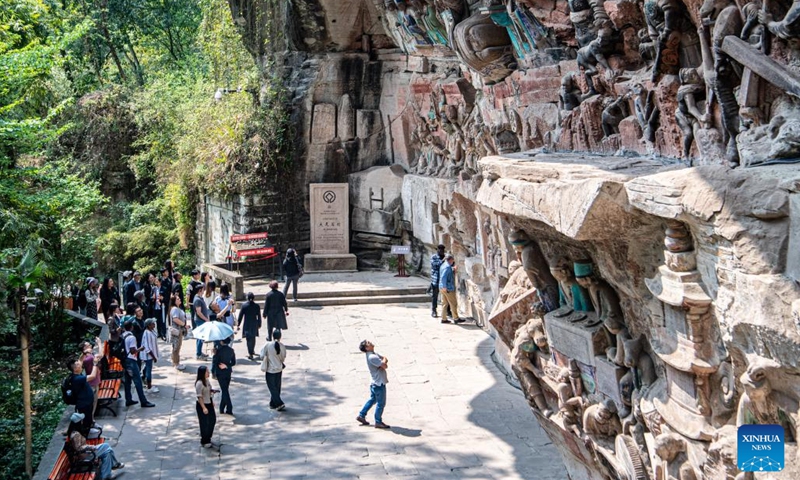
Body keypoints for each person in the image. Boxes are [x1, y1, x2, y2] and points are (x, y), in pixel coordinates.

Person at [67, 415, 123, 480]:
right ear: (78, 422)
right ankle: (113, 465)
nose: (82, 421)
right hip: (85, 454)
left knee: (107, 453)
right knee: (107, 447)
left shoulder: (75, 431)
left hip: (86, 451)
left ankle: (106, 476)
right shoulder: (75, 434)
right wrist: (91, 447)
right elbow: (79, 448)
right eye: (81, 420)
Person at [356, 340, 390, 429]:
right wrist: (383, 362)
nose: (370, 342)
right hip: (379, 383)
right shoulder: (372, 357)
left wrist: (383, 361)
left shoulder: (372, 354)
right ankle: (378, 421)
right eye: (368, 343)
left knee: (373, 399)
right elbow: (385, 364)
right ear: (366, 348)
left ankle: (361, 415)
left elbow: (384, 359)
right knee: (381, 403)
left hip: (374, 382)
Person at [121, 319, 154, 408]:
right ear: (131, 327)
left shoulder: (123, 335)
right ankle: (143, 401)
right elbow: (132, 351)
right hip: (131, 361)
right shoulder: (132, 337)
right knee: (138, 381)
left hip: (125, 360)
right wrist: (141, 349)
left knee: (127, 381)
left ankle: (128, 399)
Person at [66, 355, 99, 435]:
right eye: (78, 364)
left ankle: (90, 426)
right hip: (83, 403)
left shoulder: (77, 374)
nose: (81, 365)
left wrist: (84, 354)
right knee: (85, 418)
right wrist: (95, 364)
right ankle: (87, 430)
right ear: (75, 368)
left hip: (87, 401)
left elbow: (80, 361)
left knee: (89, 416)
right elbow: (92, 376)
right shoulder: (77, 379)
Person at [260, 328, 286, 410]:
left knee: (272, 387)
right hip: (279, 369)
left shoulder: (268, 345)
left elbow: (262, 355)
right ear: (280, 337)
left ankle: (279, 403)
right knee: (277, 387)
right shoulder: (282, 346)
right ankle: (272, 403)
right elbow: (283, 357)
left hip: (270, 370)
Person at [195, 366, 218, 449]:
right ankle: (205, 440)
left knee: (212, 420)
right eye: (207, 372)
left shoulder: (207, 381)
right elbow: (199, 397)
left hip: (209, 402)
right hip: (202, 404)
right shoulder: (199, 383)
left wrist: (212, 395)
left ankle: (208, 436)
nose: (208, 373)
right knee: (204, 423)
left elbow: (209, 391)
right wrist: (204, 408)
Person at [212, 337, 236, 415]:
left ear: (222, 342)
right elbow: (233, 362)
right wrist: (227, 366)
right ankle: (222, 407)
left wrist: (214, 354)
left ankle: (229, 407)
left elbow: (215, 362)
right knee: (225, 389)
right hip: (228, 372)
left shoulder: (218, 351)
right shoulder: (231, 350)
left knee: (225, 390)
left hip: (220, 373)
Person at [438, 253, 464, 324]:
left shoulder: (444, 265)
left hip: (441, 288)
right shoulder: (447, 267)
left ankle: (443, 319)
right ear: (451, 260)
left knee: (444, 303)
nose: (453, 261)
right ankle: (456, 318)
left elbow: (445, 273)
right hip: (448, 288)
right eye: (453, 260)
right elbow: (443, 277)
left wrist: (453, 269)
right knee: (453, 303)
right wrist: (444, 287)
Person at [79, 341, 102, 417]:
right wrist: (99, 343)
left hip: (95, 381)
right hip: (92, 383)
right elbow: (101, 355)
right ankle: (90, 421)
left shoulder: (89, 355)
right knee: (92, 404)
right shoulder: (87, 358)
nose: (91, 346)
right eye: (89, 345)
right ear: (84, 348)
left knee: (94, 403)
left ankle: (91, 420)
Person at [237, 292, 262, 359]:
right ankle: (252, 350)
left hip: (247, 324)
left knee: (248, 339)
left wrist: (238, 324)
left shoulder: (244, 305)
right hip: (254, 323)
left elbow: (240, 316)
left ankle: (250, 353)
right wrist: (259, 324)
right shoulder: (257, 306)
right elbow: (259, 316)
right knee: (253, 338)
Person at [193, 284, 211, 360]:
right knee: (201, 337)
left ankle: (199, 352)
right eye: (203, 289)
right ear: (200, 290)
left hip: (202, 320)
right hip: (200, 320)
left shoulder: (200, 298)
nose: (204, 291)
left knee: (200, 338)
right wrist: (206, 319)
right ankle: (198, 354)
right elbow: (199, 312)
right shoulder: (197, 299)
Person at [169, 294, 187, 370]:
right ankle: (176, 363)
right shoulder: (175, 309)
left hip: (179, 330)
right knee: (176, 347)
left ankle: (175, 361)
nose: (180, 300)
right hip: (177, 330)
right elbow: (175, 319)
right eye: (178, 299)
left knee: (177, 347)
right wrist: (184, 324)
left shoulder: (177, 308)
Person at [142, 319, 159, 393]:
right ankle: (149, 386)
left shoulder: (151, 331)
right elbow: (147, 347)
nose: (154, 324)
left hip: (151, 355)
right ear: (148, 325)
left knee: (146, 367)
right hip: (149, 355)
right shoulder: (147, 333)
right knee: (149, 370)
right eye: (152, 323)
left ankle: (143, 376)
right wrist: (154, 357)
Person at [429, 244, 445, 318]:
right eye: (440, 250)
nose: (442, 251)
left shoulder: (445, 257)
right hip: (436, 280)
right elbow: (435, 265)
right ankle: (434, 310)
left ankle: (447, 311)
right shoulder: (434, 257)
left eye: (443, 250)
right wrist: (443, 261)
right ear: (438, 250)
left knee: (446, 296)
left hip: (444, 280)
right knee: (435, 296)